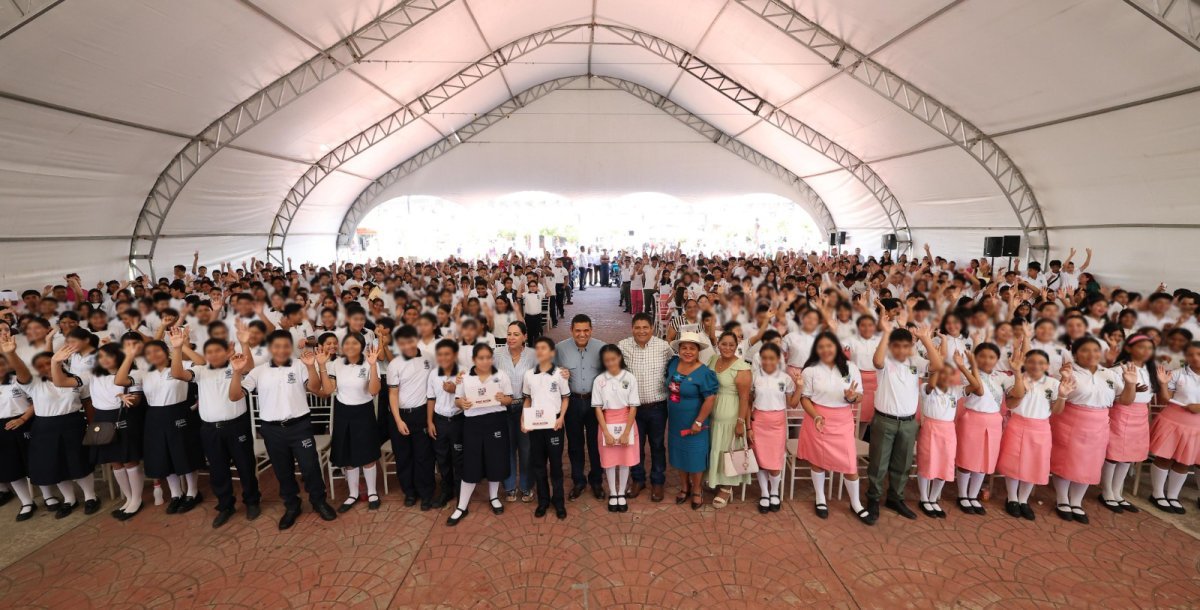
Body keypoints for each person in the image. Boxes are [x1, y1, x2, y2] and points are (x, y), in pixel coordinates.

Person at [229, 330, 337, 530]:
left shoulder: (300, 365)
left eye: (285, 346)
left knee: (310, 466)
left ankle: (318, 501)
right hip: (272, 429)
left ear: (291, 347)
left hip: (300, 425)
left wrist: (311, 367)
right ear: (270, 348)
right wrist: (236, 372)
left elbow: (314, 387)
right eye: (277, 346)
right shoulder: (258, 372)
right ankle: (292, 505)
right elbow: (235, 396)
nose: (281, 350)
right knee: (282, 470)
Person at [1, 336, 101, 519]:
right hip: (46, 428)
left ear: (60, 361)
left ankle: (90, 496)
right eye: (41, 366)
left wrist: (93, 427)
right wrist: (11, 353)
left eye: (50, 363)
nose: (46, 367)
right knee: (57, 465)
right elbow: (21, 372)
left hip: (73, 424)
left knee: (79, 463)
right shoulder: (34, 384)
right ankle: (69, 499)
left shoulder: (77, 379)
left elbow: (88, 404)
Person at [170, 335, 262, 528]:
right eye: (209, 352)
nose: (213, 354)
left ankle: (252, 502)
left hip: (236, 426)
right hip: (210, 429)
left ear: (226, 351)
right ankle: (225, 505)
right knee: (218, 469)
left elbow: (249, 367)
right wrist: (177, 348)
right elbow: (178, 373)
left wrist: (244, 344)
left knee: (245, 465)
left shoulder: (235, 366)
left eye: (217, 350)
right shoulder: (200, 370)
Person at [53, 343, 143, 520]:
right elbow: (60, 382)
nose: (105, 359)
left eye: (109, 355)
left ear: (119, 356)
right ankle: (129, 498)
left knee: (129, 461)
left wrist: (125, 397)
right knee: (115, 462)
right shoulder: (92, 375)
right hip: (102, 420)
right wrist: (55, 362)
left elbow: (135, 399)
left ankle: (137, 499)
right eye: (101, 356)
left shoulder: (134, 374)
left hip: (122, 419)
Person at [1051, 337, 1135, 524]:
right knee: (1065, 461)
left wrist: (1130, 384)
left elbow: (1126, 400)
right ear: (1076, 353)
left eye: (1096, 351)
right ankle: (1062, 499)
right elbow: (1057, 400)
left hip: (1099, 424)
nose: (1091, 355)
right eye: (1085, 350)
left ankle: (1076, 502)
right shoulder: (1068, 372)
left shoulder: (1109, 374)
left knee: (1090, 463)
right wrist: (1063, 379)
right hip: (1071, 420)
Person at [866, 315, 941, 521]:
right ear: (891, 346)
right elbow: (877, 360)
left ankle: (896, 498)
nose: (901, 350)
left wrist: (925, 339)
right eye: (896, 346)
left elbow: (937, 365)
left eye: (905, 346)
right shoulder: (886, 363)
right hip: (885, 420)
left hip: (908, 422)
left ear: (911, 347)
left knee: (903, 463)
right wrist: (887, 333)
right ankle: (873, 498)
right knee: (879, 463)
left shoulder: (915, 362)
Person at [798, 332, 870, 524]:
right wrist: (816, 416)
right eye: (821, 347)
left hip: (843, 420)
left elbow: (860, 396)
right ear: (816, 350)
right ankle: (820, 498)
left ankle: (856, 503)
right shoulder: (810, 370)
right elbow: (804, 398)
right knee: (817, 460)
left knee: (849, 464)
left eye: (829, 346)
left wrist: (852, 396)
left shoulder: (851, 367)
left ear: (837, 347)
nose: (825, 350)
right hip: (818, 419)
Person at [132, 336, 206, 517]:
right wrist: (129, 356)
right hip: (155, 417)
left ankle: (193, 492)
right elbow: (120, 380)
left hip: (179, 413)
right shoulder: (143, 373)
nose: (153, 355)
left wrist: (180, 348)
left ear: (166, 352)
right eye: (148, 353)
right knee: (164, 456)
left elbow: (201, 362)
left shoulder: (179, 367)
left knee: (184, 453)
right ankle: (176, 494)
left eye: (157, 350)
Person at [996, 347, 1068, 521]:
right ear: (1025, 363)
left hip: (1041, 428)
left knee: (1033, 464)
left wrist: (1062, 396)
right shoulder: (1015, 379)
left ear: (1047, 365)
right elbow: (1011, 405)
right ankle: (1012, 498)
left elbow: (1057, 411)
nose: (1036, 365)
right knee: (1013, 462)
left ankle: (1023, 500)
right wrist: (1022, 387)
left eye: (1041, 362)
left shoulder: (1053, 384)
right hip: (1018, 423)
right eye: (1032, 362)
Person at [448, 344, 514, 526]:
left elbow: (510, 398)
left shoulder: (500, 375)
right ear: (474, 360)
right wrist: (462, 403)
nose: (485, 361)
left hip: (496, 421)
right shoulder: (464, 378)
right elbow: (457, 401)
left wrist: (504, 399)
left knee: (495, 461)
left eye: (488, 357)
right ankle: (461, 506)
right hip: (473, 424)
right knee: (471, 464)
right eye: (481, 358)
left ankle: (493, 497)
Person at [955, 343, 1024, 515]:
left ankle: (973, 496)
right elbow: (978, 388)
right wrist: (970, 365)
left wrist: (1016, 372)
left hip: (993, 421)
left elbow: (1018, 393)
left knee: (984, 460)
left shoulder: (1001, 376)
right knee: (967, 459)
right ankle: (962, 495)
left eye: (991, 357)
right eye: (982, 356)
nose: (987, 360)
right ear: (975, 357)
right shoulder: (967, 374)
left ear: (997, 360)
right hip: (972, 419)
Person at [320, 333, 383, 511]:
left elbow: (374, 391)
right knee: (348, 455)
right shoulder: (336, 364)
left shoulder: (371, 362)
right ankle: (352, 494)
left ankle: (372, 492)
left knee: (368, 453)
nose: (350, 346)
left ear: (362, 345)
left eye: (354, 343)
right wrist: (323, 365)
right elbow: (328, 389)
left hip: (364, 412)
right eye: (346, 343)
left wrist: (371, 366)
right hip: (343, 412)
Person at [1100, 334, 1161, 513]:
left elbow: (1150, 396)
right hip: (1122, 412)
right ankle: (1106, 491)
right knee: (1114, 453)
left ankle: (1118, 492)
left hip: (1140, 414)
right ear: (1128, 348)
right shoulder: (1119, 369)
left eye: (1149, 348)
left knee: (1128, 455)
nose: (1146, 351)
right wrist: (1130, 388)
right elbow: (1115, 396)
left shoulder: (1151, 371)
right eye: (1141, 347)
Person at [619, 313, 674, 502]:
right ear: (632, 328)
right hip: (633, 408)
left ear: (652, 328)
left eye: (645, 327)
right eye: (637, 327)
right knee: (636, 446)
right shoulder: (623, 346)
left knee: (658, 445)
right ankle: (638, 479)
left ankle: (657, 482)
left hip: (658, 406)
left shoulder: (663, 347)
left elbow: (673, 367)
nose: (641, 331)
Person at [555, 314, 606, 500]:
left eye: (586, 330)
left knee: (595, 443)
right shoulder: (560, 348)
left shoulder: (601, 347)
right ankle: (578, 480)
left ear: (591, 330)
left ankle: (596, 481)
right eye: (578, 330)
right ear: (572, 330)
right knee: (575, 444)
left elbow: (610, 373)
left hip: (595, 403)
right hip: (573, 402)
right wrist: (559, 374)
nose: (582, 334)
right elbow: (549, 371)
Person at [386, 325, 437, 510]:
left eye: (410, 341)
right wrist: (398, 420)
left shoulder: (429, 359)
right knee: (403, 456)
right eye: (403, 343)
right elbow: (393, 394)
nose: (407, 345)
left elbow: (434, 384)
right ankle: (409, 492)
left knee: (424, 456)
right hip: (401, 416)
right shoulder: (394, 364)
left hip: (422, 413)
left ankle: (426, 494)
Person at [665, 332, 718, 509]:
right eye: (684, 348)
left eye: (692, 348)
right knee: (679, 454)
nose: (688, 351)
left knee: (695, 456)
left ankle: (696, 489)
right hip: (675, 421)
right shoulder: (673, 364)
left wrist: (698, 421)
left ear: (698, 351)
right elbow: (673, 388)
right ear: (679, 350)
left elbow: (710, 399)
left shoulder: (704, 373)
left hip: (695, 423)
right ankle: (684, 486)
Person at [1147, 341, 1200, 513]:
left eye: (1198, 354)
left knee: (1185, 461)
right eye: (1191, 354)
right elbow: (1164, 399)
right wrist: (1163, 384)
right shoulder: (1177, 374)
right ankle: (1157, 494)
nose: (1195, 358)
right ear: (1186, 357)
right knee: (1165, 457)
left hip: (1195, 426)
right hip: (1172, 421)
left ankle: (1173, 496)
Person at [522, 337, 569, 519]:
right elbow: (527, 399)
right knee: (539, 465)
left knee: (556, 465)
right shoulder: (529, 375)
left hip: (554, 424)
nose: (540, 352)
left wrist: (562, 417)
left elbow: (565, 397)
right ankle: (543, 501)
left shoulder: (559, 374)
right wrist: (523, 420)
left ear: (552, 353)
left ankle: (559, 502)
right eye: (537, 348)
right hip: (535, 426)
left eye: (544, 348)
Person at [749, 343, 799, 513]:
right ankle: (764, 493)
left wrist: (799, 386)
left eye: (771, 358)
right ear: (760, 359)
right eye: (764, 358)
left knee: (775, 461)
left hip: (777, 423)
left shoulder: (785, 379)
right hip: (759, 421)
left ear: (778, 359)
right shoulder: (754, 376)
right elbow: (749, 401)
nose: (768, 361)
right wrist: (748, 424)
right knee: (761, 460)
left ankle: (774, 492)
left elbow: (792, 404)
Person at [705, 331, 752, 508]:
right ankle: (715, 479)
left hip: (730, 415)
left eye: (731, 345)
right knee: (715, 447)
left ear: (737, 345)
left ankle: (727, 487)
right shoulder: (712, 360)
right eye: (724, 344)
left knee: (728, 449)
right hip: (712, 413)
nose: (727, 348)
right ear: (718, 343)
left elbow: (745, 398)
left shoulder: (742, 368)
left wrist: (741, 422)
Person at [592, 344, 640, 513]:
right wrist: (605, 432)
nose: (611, 362)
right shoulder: (599, 380)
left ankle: (622, 493)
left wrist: (627, 431)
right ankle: (613, 492)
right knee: (610, 460)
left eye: (613, 358)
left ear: (620, 357)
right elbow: (597, 407)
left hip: (627, 422)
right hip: (607, 423)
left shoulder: (630, 378)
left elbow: (634, 406)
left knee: (625, 459)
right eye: (607, 360)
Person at [916, 352, 960, 518]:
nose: (946, 377)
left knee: (944, 464)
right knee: (927, 462)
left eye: (949, 374)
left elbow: (976, 386)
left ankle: (934, 498)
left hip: (948, 431)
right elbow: (931, 385)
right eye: (942, 373)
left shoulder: (954, 392)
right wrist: (938, 367)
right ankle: (924, 498)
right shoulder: (927, 388)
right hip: (931, 428)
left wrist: (961, 365)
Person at [496, 321, 535, 503]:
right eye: (509, 333)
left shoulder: (533, 355)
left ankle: (526, 486)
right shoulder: (496, 355)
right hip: (503, 408)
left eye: (516, 334)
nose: (511, 337)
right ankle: (510, 487)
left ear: (525, 336)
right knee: (507, 449)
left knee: (526, 450)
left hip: (526, 406)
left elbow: (547, 373)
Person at [426, 338, 464, 508]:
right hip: (439, 421)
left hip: (458, 421)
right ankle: (446, 490)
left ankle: (462, 492)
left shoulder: (464, 373)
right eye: (440, 354)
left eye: (447, 354)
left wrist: (455, 388)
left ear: (455, 355)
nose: (443, 357)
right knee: (442, 458)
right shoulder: (433, 374)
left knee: (459, 458)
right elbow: (431, 398)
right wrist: (430, 422)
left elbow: (471, 396)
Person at [0, 352, 35, 520]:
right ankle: (27, 502)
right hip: (2, 427)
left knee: (34, 463)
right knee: (11, 467)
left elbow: (36, 400)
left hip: (25, 422)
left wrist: (23, 418)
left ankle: (49, 496)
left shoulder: (17, 380)